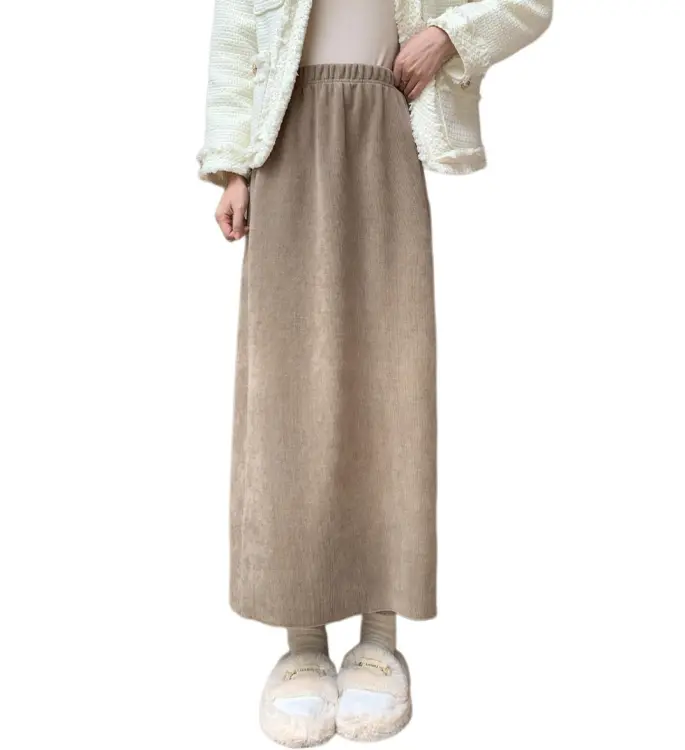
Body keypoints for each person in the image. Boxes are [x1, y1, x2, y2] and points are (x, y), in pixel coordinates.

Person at [197, 0, 552, 744]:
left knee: (390, 381)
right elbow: (236, 36)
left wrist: (447, 35)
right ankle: (301, 640)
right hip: (284, 143)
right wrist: (231, 168)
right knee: (286, 389)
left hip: (385, 134)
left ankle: (380, 636)